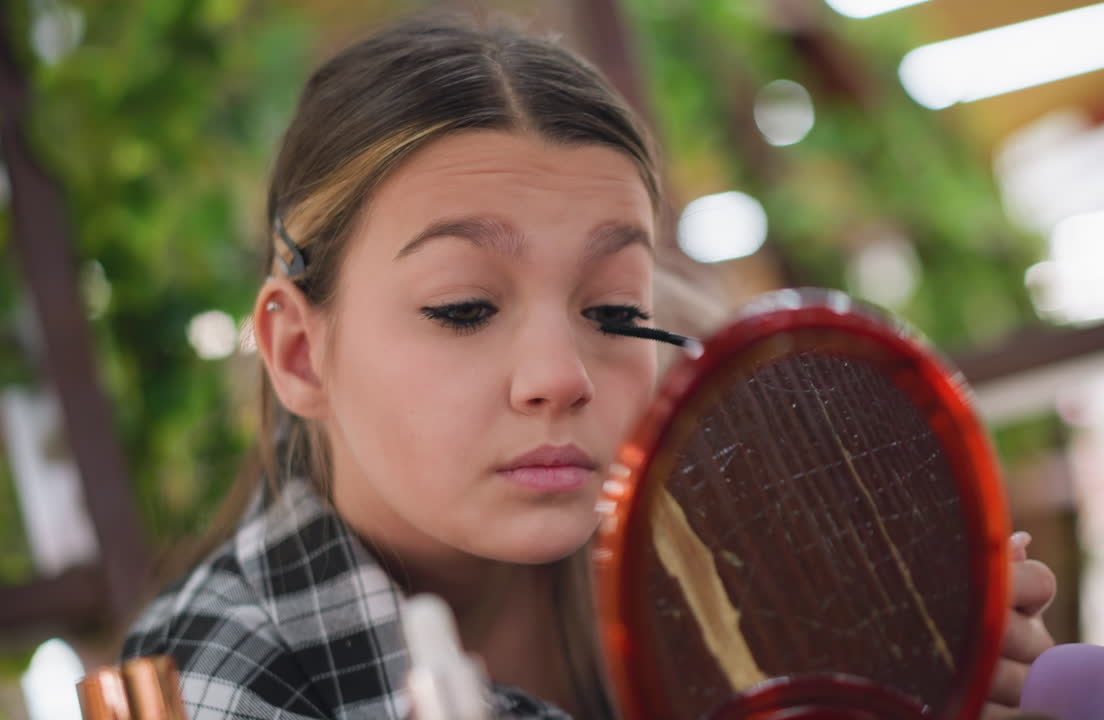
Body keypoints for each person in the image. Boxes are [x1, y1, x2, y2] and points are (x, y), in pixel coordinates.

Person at [121, 13, 1056, 720]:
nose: (558, 376)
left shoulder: (738, 542)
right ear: (297, 351)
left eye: (614, 310)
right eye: (464, 308)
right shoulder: (219, 680)